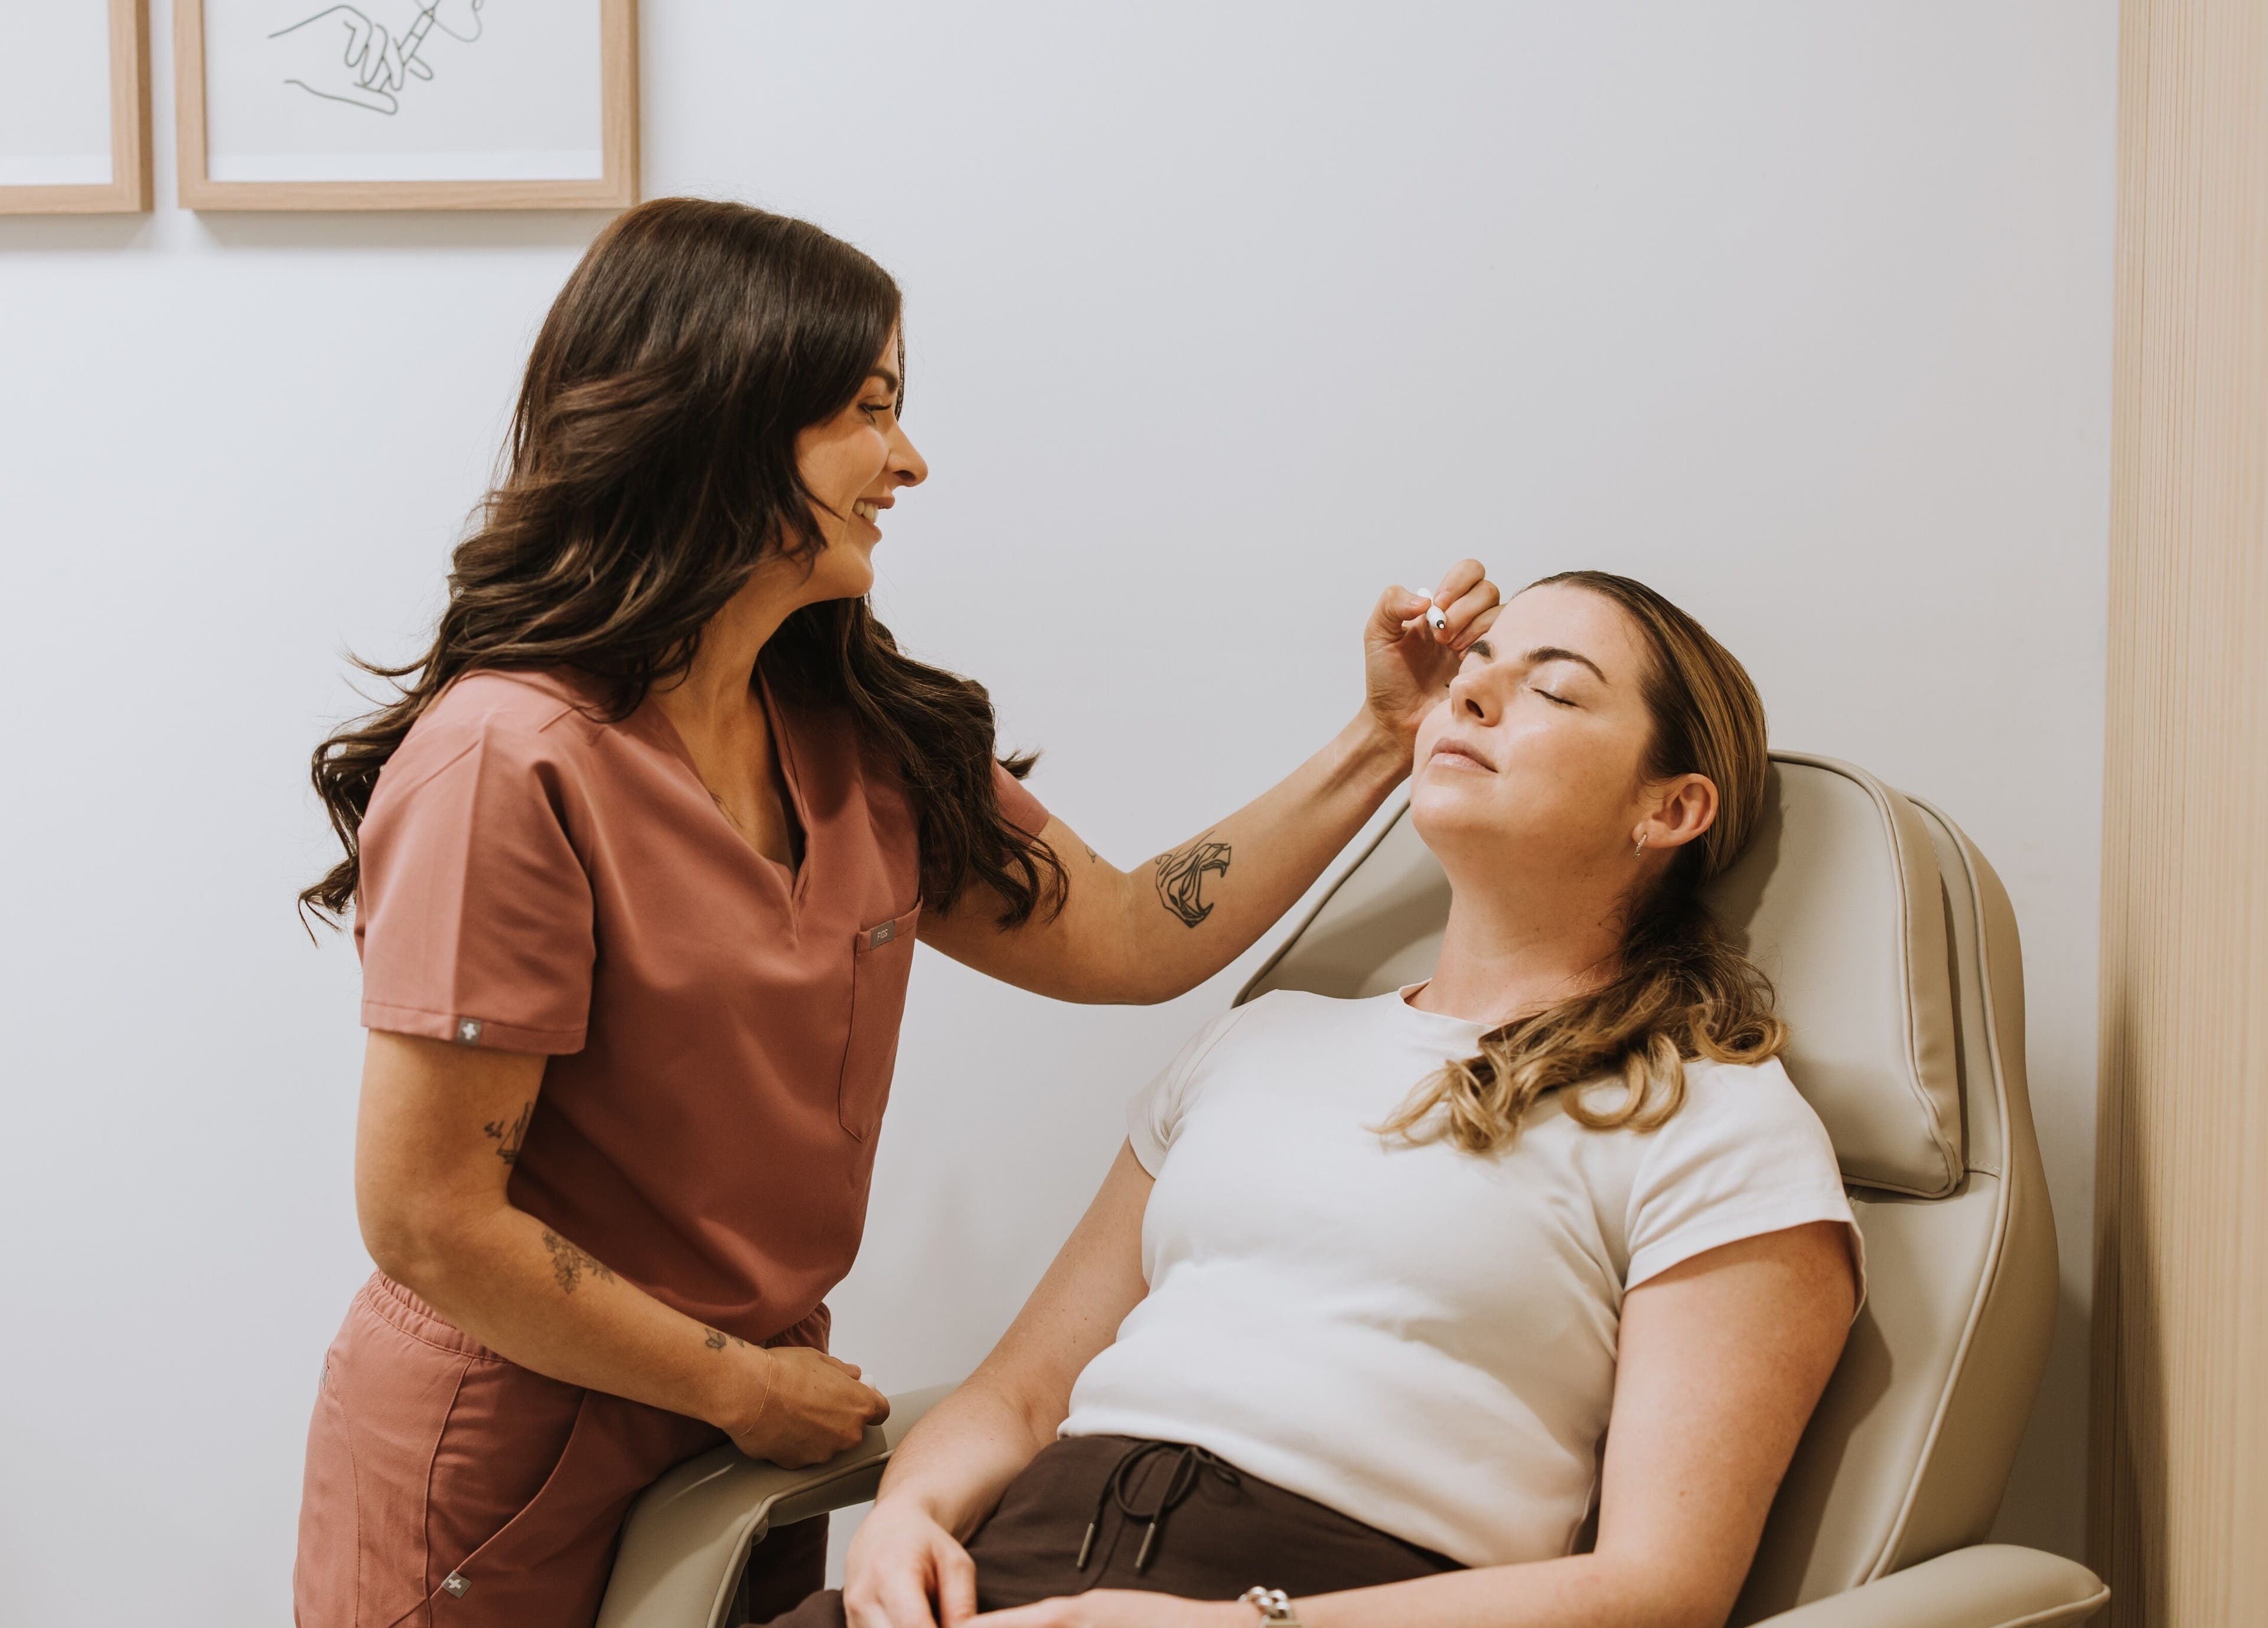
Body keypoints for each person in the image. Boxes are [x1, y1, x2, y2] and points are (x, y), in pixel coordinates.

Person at [290, 196, 1500, 1628]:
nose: (909, 461)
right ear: (727, 421)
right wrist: (740, 1386)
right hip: (518, 1434)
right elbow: (429, 1219)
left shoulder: (849, 734)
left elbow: (1126, 933)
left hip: (735, 1429)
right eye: (869, 412)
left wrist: (1378, 738)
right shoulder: (509, 759)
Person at [781, 572, 1864, 1628]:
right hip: (996, 1575)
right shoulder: (1259, 1041)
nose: (1475, 693)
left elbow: (1659, 1591)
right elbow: (1018, 1398)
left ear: (1669, 809)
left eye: (1557, 689)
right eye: (1477, 664)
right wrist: (905, 1518)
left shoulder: (1710, 1121)